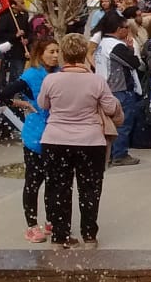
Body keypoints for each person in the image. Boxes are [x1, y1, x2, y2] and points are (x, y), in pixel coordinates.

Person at [35, 33, 120, 248]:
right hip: (90, 141)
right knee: (90, 189)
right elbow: (110, 108)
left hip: (55, 140)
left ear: (63, 54)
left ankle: (60, 236)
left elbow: (43, 105)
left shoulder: (51, 80)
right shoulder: (96, 81)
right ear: (84, 54)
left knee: (58, 188)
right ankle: (89, 234)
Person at [9, 39, 59, 243]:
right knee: (33, 182)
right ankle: (31, 225)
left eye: (57, 51)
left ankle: (50, 220)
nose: (55, 55)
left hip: (56, 134)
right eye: (51, 51)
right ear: (40, 53)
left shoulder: (59, 73)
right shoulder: (30, 75)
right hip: (35, 135)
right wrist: (23, 104)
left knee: (54, 181)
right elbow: (3, 95)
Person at [92, 14, 143, 167]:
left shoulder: (103, 43)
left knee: (109, 124)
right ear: (119, 29)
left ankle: (111, 153)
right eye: (126, 27)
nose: (128, 30)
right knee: (123, 123)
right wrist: (131, 49)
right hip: (119, 89)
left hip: (106, 86)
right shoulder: (116, 46)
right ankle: (120, 154)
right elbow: (134, 63)